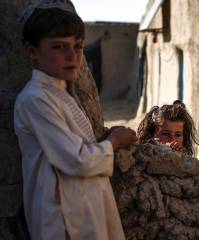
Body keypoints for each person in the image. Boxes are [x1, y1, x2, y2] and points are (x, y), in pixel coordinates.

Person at [14, 1, 138, 239]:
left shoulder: (62, 93)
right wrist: (113, 141)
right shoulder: (35, 99)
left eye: (78, 46)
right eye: (59, 47)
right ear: (32, 51)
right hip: (62, 217)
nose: (72, 56)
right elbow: (76, 160)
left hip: (83, 209)